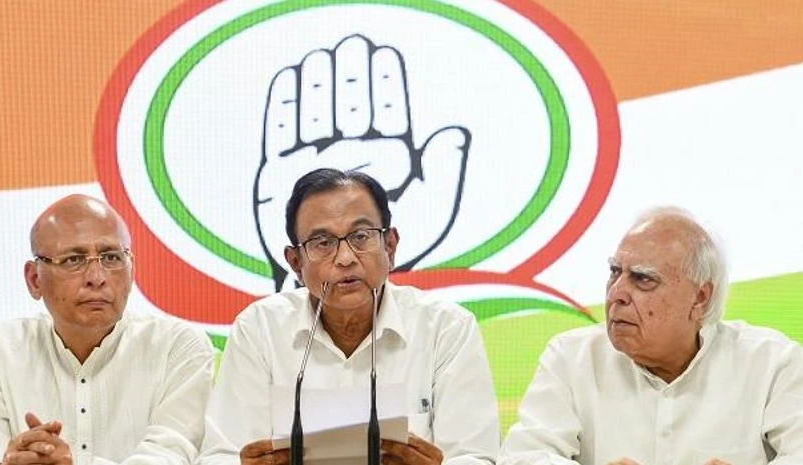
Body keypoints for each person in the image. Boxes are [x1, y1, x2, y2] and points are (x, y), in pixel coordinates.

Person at [198, 168, 499, 465]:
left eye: (361, 236)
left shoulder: (446, 328)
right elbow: (222, 454)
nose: (345, 258)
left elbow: (474, 456)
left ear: (390, 246)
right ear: (295, 263)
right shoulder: (260, 328)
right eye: (322, 242)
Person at [498, 207, 803, 465]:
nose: (616, 293)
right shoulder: (571, 357)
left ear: (700, 298)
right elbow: (525, 456)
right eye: (615, 272)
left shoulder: (773, 364)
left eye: (643, 279)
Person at [0, 194, 214, 465]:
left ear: (132, 270)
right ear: (34, 280)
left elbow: (170, 456)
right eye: (73, 260)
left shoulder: (177, 347)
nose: (97, 278)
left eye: (111, 257)